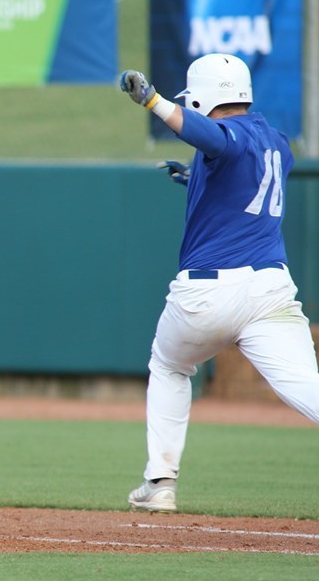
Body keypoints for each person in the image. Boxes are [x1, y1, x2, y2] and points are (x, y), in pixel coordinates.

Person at [119, 54, 319, 513]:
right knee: (308, 387)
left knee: (169, 365)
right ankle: (159, 484)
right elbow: (242, 180)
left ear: (204, 97)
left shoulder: (224, 135)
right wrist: (196, 179)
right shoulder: (278, 142)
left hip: (207, 293)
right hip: (270, 291)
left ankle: (160, 482)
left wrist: (152, 100)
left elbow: (213, 136)